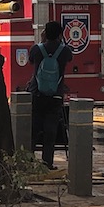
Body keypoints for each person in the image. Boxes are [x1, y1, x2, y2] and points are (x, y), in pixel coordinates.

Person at [28, 21, 73, 170]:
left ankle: (28, 160)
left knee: (33, 129)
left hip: (37, 94)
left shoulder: (37, 49)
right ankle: (47, 162)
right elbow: (69, 58)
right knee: (50, 131)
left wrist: (41, 42)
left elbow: (31, 60)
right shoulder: (65, 51)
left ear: (45, 33)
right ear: (60, 34)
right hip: (55, 95)